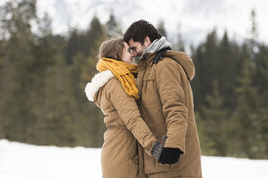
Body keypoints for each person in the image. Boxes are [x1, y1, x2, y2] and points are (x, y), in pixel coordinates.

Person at [123, 20, 203, 178]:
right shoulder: (149, 68)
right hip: (160, 162)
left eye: (134, 48)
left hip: (172, 162)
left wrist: (173, 147)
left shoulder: (164, 66)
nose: (133, 54)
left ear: (146, 40)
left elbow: (176, 109)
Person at [85, 38, 165, 178]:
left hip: (124, 150)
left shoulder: (123, 80)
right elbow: (132, 119)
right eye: (129, 50)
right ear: (116, 56)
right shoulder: (117, 83)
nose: (133, 54)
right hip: (122, 153)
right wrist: (152, 145)